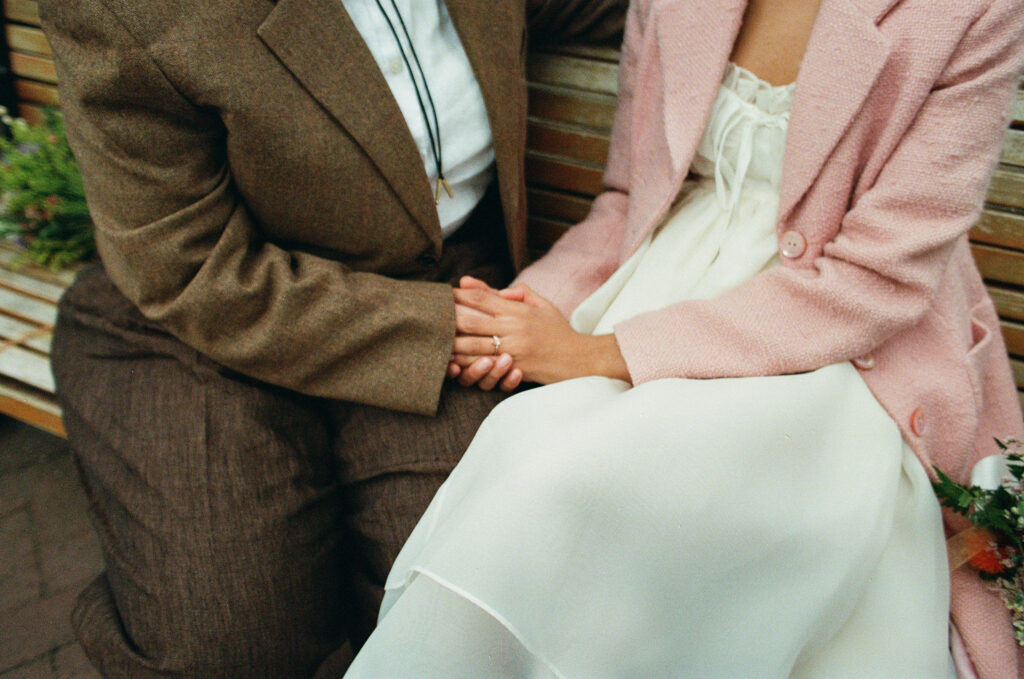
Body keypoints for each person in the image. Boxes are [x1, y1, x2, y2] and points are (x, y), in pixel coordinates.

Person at [343, 0, 1024, 676]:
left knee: (565, 482)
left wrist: (594, 354)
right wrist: (520, 314)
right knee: (529, 453)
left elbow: (875, 284)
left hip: (838, 354)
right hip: (666, 279)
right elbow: (628, 198)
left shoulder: (974, 11)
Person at [38, 0, 625, 677]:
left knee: (474, 594)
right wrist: (442, 330)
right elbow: (187, 269)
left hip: (431, 278)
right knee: (229, 640)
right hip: (209, 319)